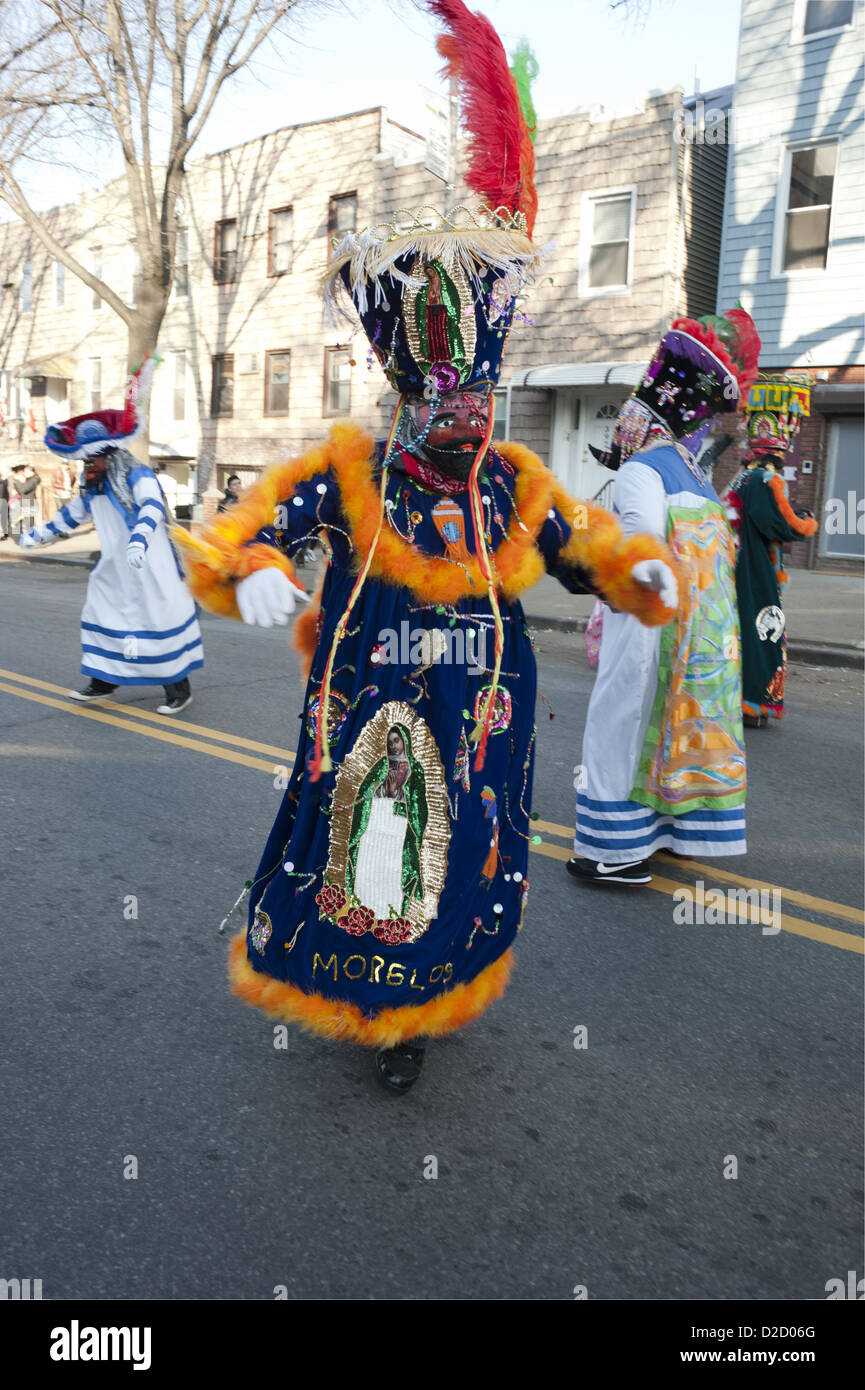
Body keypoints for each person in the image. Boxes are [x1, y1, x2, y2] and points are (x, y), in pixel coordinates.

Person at [174, 0, 678, 1093]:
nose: (470, 420)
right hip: (371, 712)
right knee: (375, 853)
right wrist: (256, 568)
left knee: (466, 865)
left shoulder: (513, 481)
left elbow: (583, 541)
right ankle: (381, 1014)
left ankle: (437, 993)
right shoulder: (348, 474)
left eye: (482, 402)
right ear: (407, 401)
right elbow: (233, 531)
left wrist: (637, 571)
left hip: (484, 716)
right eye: (450, 403)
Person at [568, 308, 761, 886]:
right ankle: (672, 834)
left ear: (639, 420)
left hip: (646, 623)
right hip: (697, 639)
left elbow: (643, 536)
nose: (619, 433)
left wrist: (624, 566)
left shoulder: (642, 472)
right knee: (672, 734)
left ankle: (614, 854)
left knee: (619, 727)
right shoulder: (696, 478)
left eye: (625, 420)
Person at [18, 358, 203, 715]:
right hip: (115, 567)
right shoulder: (94, 484)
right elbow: (71, 515)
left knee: (156, 618)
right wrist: (37, 534)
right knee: (104, 614)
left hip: (149, 564)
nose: (86, 468)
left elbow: (152, 508)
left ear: (108, 456)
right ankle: (102, 681)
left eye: (91, 462)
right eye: (84, 463)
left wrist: (139, 540)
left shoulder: (137, 474)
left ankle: (178, 688)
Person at [721, 379, 818, 726]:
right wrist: (807, 522)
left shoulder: (740, 477)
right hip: (756, 568)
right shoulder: (765, 480)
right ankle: (754, 703)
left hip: (735, 564)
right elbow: (780, 524)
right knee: (764, 631)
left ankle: (736, 698)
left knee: (742, 629)